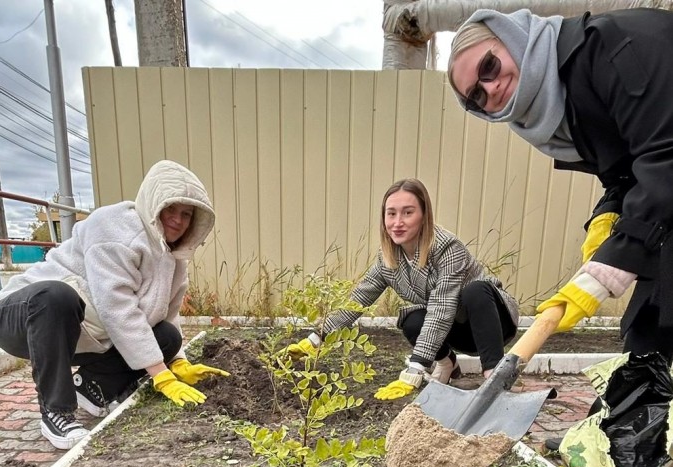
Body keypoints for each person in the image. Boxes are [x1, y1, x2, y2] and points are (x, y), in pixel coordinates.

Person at [447, 8, 673, 364]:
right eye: (476, 95)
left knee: (658, 329)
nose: (490, 88)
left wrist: (610, 266)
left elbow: (665, 153)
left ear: (508, 37)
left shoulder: (608, 47)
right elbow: (627, 170)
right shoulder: (565, 104)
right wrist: (607, 216)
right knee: (651, 333)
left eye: (488, 66)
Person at [0, 160, 229, 450]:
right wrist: (161, 377)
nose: (177, 220)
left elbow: (169, 314)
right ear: (153, 204)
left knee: (167, 336)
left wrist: (178, 361)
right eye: (170, 209)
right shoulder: (115, 229)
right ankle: (56, 411)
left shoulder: (173, 258)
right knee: (56, 296)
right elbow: (118, 309)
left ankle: (92, 388)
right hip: (23, 316)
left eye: (186, 214)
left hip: (84, 333)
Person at [287, 178, 519, 400]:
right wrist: (317, 338)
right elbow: (359, 299)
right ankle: (448, 364)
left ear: (424, 216)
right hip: (458, 330)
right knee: (411, 320)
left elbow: (441, 309)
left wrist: (415, 368)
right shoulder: (388, 259)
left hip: (495, 322)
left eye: (408, 213)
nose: (397, 222)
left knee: (475, 291)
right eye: (391, 214)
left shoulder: (447, 248)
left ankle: (494, 379)